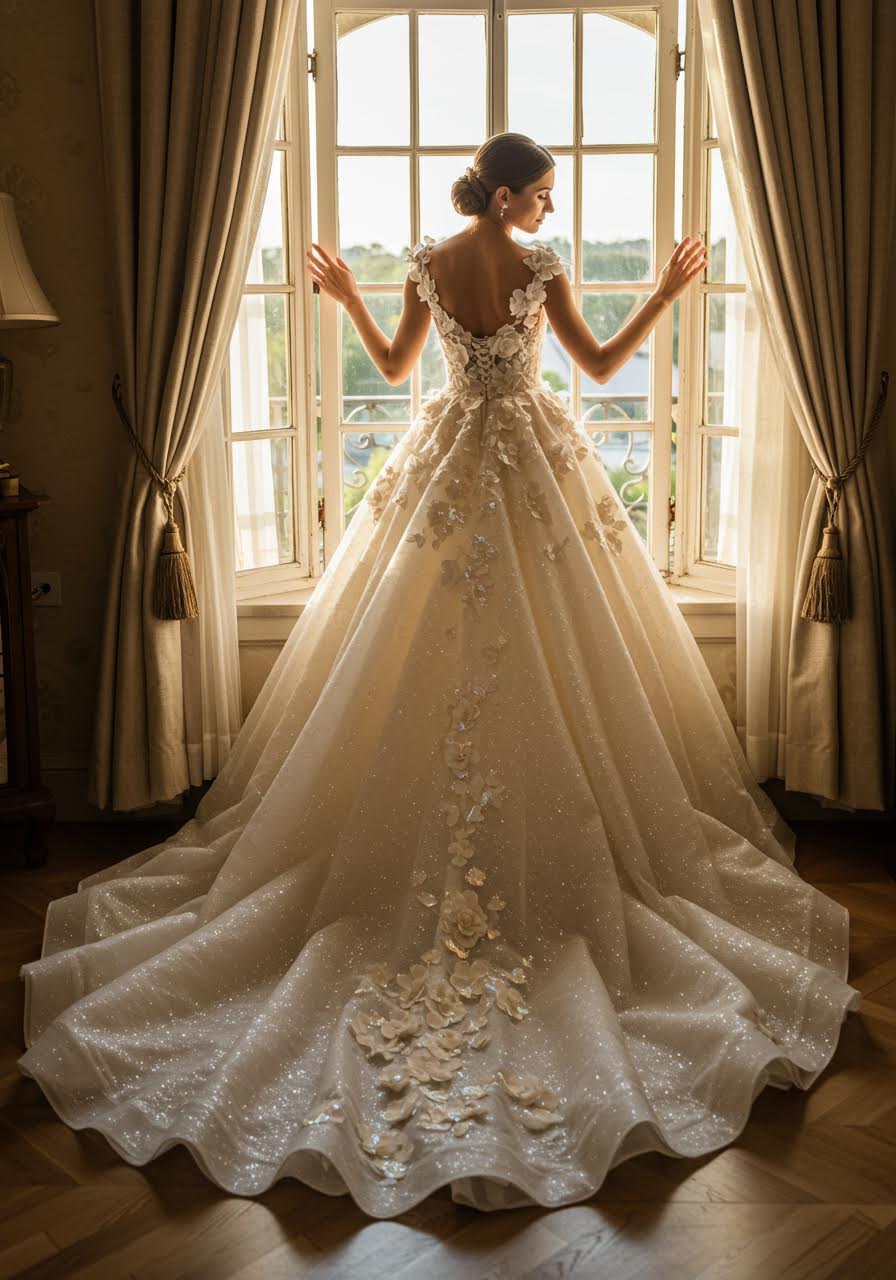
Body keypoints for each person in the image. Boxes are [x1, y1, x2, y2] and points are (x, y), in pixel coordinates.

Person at [17, 132, 861, 1219]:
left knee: (405, 664)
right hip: (523, 470)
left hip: (447, 467)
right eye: (543, 195)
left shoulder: (424, 258)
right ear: (505, 194)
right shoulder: (535, 268)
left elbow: (390, 366)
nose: (551, 212)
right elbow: (600, 368)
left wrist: (340, 297)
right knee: (553, 663)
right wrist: (662, 293)